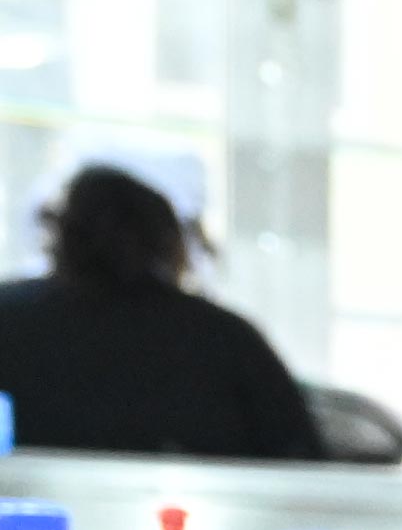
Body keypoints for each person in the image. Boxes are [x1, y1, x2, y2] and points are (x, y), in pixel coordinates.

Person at [0, 146, 323, 464]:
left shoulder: (10, 317)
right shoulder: (224, 337)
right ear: (169, 240)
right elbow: (301, 462)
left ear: (58, 235)